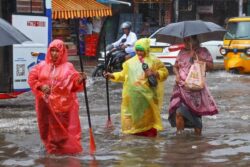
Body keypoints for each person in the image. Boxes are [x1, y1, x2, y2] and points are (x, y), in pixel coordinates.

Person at [28, 39, 86, 154]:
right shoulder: (41, 66)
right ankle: (50, 152)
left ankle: (62, 155)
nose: (54, 53)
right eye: (52, 50)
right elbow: (32, 79)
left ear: (62, 52)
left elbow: (73, 85)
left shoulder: (68, 67)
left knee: (61, 133)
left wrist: (80, 80)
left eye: (57, 51)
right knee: (46, 130)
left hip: (62, 108)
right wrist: (40, 86)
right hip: (44, 106)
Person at [104, 38, 168, 137]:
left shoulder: (155, 61)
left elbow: (165, 73)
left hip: (148, 98)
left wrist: (155, 73)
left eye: (141, 50)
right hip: (132, 97)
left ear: (146, 49)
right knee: (132, 121)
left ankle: (148, 146)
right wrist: (112, 76)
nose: (139, 52)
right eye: (137, 50)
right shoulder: (129, 63)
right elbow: (123, 75)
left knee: (148, 121)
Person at [168, 35, 218, 136]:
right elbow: (175, 66)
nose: (186, 42)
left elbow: (210, 67)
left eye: (188, 40)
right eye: (184, 40)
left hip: (196, 90)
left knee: (196, 118)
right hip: (181, 88)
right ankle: (180, 139)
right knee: (179, 113)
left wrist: (196, 57)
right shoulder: (181, 52)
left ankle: (197, 140)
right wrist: (177, 75)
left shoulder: (203, 51)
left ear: (195, 40)